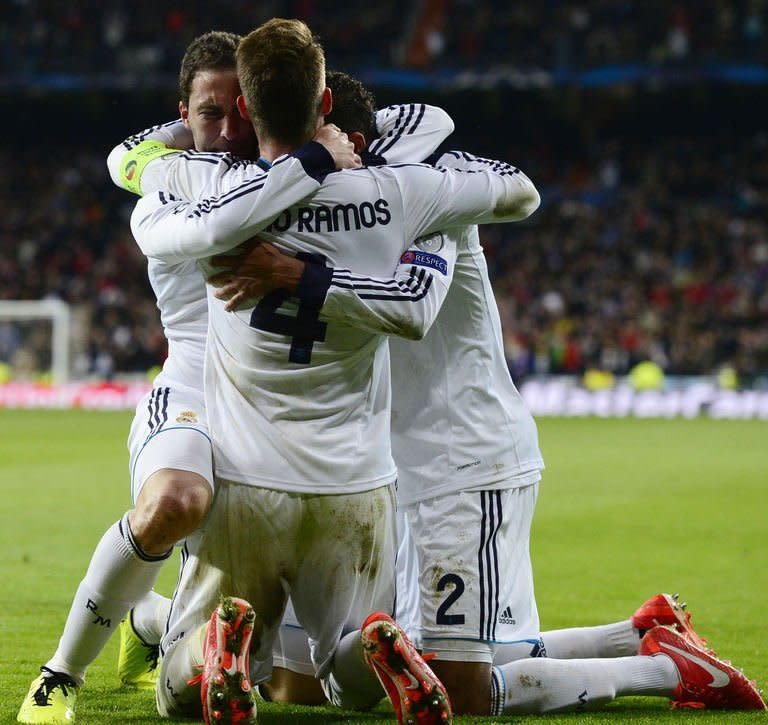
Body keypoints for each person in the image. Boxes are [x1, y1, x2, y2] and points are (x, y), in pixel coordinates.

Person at [205, 70, 766, 716]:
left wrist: (299, 275)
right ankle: (637, 631)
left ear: (350, 138)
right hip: (388, 471)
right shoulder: (320, 199)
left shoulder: (426, 195)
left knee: (463, 691)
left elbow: (415, 303)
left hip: (462, 459)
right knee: (320, 681)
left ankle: (665, 668)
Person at [127, 16, 541, 724]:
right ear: (326, 110)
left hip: (250, 481)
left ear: (243, 112)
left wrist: (156, 158)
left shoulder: (220, 199)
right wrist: (409, 159)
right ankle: (382, 644)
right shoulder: (403, 194)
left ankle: (206, 646)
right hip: (356, 484)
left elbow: (141, 175)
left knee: (181, 688)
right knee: (344, 672)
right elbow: (519, 193)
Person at [16, 30, 360, 725]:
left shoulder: (297, 175)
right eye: (209, 113)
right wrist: (318, 155)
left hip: (284, 408)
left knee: (280, 668)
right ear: (182, 116)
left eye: (242, 108)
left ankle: (149, 621)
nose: (229, 128)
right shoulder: (171, 182)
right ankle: (59, 675)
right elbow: (200, 209)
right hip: (196, 387)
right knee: (175, 499)